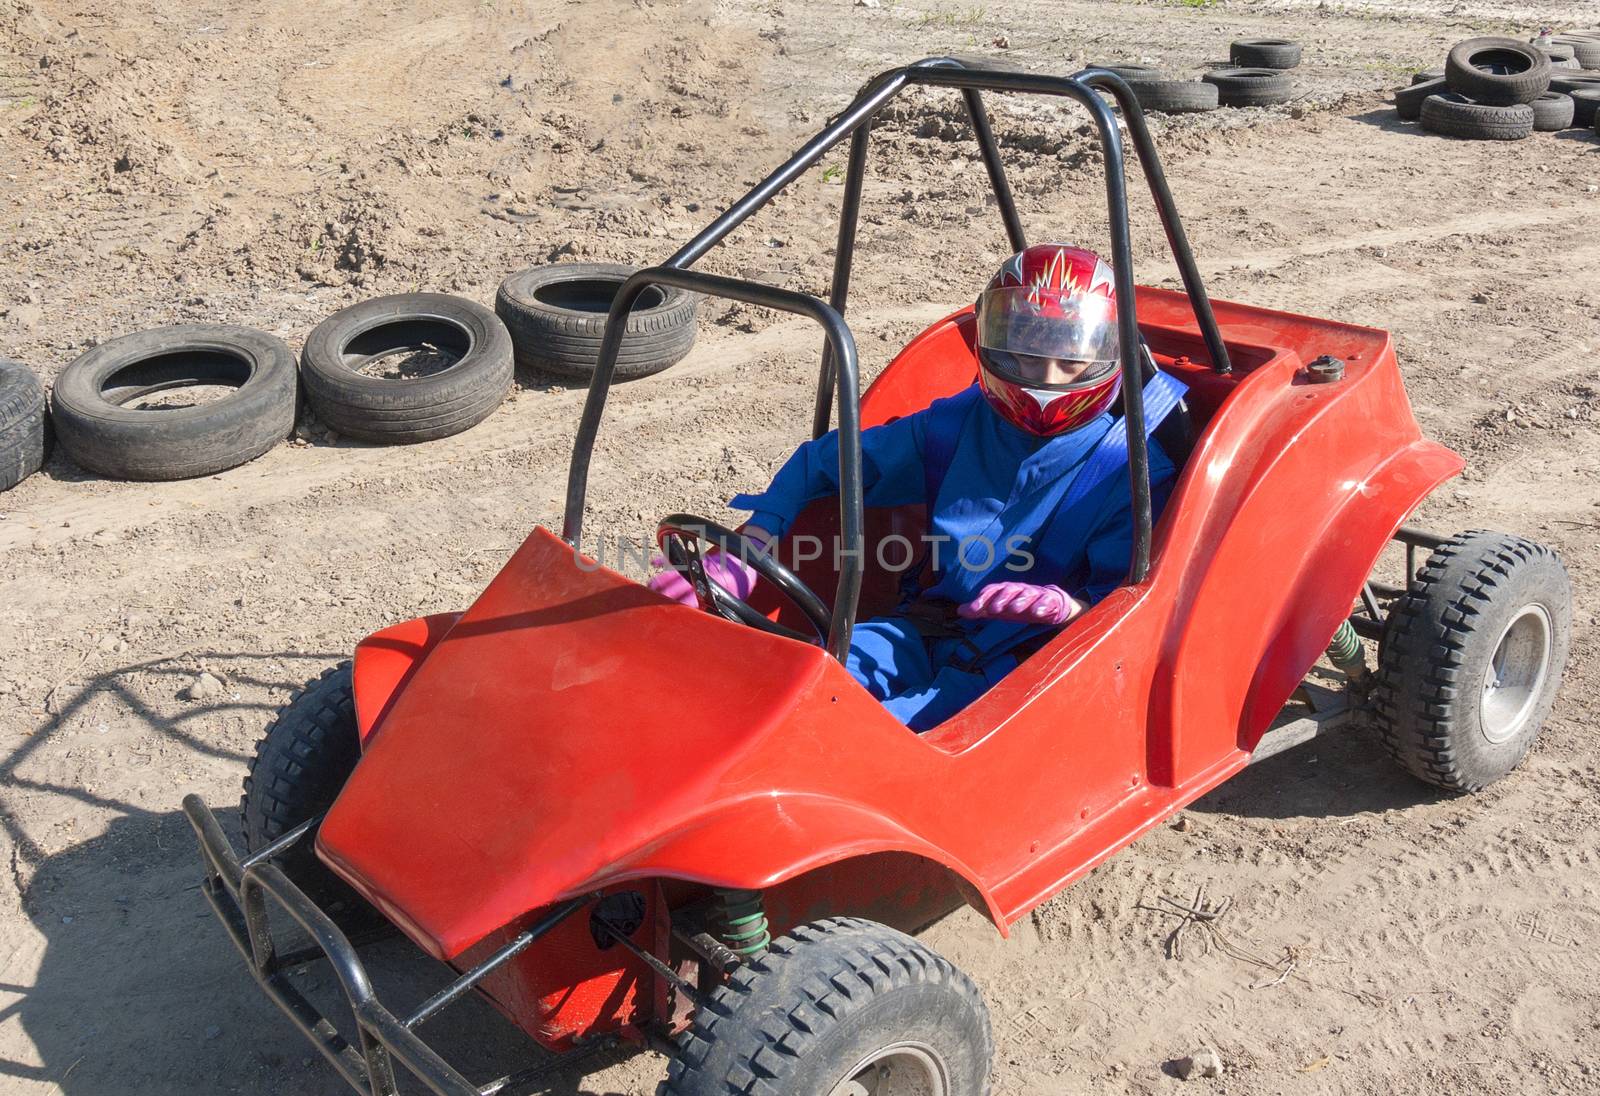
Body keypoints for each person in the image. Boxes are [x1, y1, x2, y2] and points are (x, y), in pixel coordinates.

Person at [649, 243, 1186, 731]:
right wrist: (749, 547)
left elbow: (1134, 608)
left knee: (861, 737)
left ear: (1106, 357)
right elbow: (823, 463)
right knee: (794, 690)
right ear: (990, 342)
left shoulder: (1131, 469)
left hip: (1030, 667)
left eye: (1070, 363)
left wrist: (1067, 608)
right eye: (1023, 355)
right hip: (924, 627)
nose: (1044, 378)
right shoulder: (951, 427)